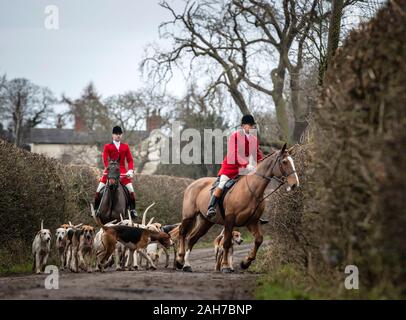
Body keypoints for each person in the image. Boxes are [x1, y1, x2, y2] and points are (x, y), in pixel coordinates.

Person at [206, 114, 268, 224]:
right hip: (230, 168)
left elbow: (257, 154)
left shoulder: (253, 139)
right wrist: (245, 164)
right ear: (243, 126)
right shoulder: (235, 136)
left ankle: (254, 213)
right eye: (250, 125)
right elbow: (233, 154)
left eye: (253, 125)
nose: (252, 127)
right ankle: (211, 207)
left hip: (245, 168)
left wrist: (262, 162)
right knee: (222, 184)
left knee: (253, 186)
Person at [94, 126, 137, 218]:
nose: (118, 136)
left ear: (121, 135)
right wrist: (108, 168)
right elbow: (105, 158)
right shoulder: (107, 146)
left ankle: (133, 210)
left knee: (131, 190)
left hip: (122, 172)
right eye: (116, 134)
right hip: (110, 171)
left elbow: (130, 160)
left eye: (119, 134)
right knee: (98, 190)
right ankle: (96, 209)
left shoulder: (125, 147)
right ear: (112, 135)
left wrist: (130, 170)